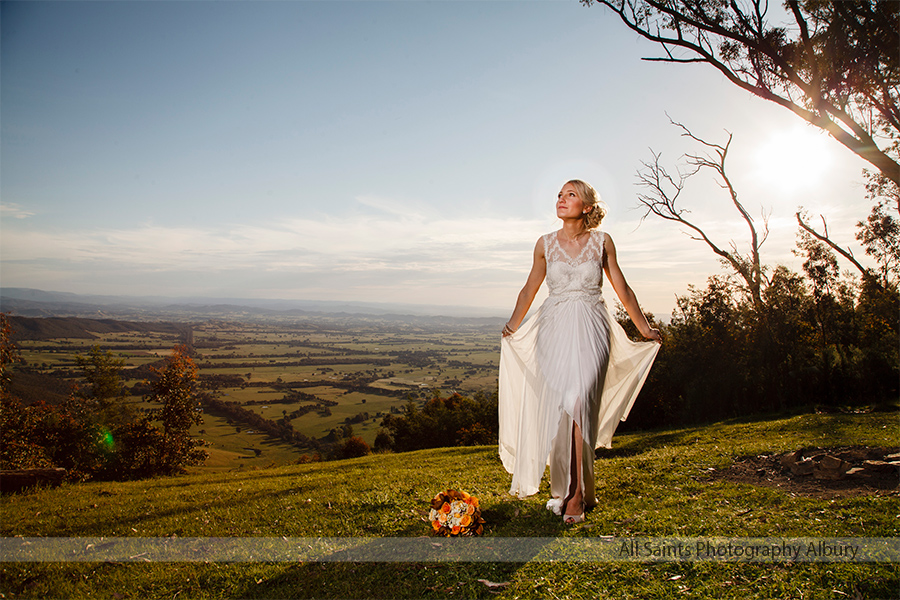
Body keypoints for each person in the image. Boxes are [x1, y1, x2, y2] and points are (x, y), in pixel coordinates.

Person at [499, 179, 661, 525]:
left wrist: (644, 328)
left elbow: (622, 287)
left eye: (570, 194)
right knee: (566, 410)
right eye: (559, 194)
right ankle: (577, 487)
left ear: (587, 206)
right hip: (553, 329)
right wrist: (512, 326)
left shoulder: (603, 242)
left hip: (592, 326)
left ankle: (575, 497)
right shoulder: (544, 244)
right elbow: (530, 288)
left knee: (579, 400)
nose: (561, 199)